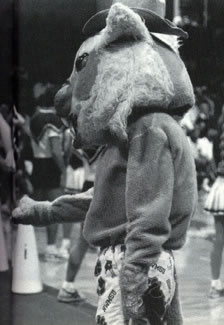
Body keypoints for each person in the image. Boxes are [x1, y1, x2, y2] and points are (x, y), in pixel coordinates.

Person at [12, 1, 197, 324]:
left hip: (131, 260)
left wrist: (135, 273)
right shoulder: (139, 130)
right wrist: (46, 211)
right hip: (144, 259)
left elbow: (149, 211)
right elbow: (106, 199)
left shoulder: (147, 130)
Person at [30, 84, 71, 261]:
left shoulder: (34, 117)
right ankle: (51, 248)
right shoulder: (53, 120)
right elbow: (55, 150)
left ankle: (28, 247)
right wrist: (63, 169)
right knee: (53, 209)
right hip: (50, 166)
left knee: (35, 209)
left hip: (36, 164)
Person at [58, 147, 102, 303]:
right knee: (113, 241)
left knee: (83, 239)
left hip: (87, 184)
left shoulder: (87, 138)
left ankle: (67, 286)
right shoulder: (112, 137)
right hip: (106, 186)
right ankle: (112, 292)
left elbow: (73, 156)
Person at [205, 100, 224, 301]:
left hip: (220, 187)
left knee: (219, 240)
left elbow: (214, 163)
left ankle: (215, 285)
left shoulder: (219, 137)